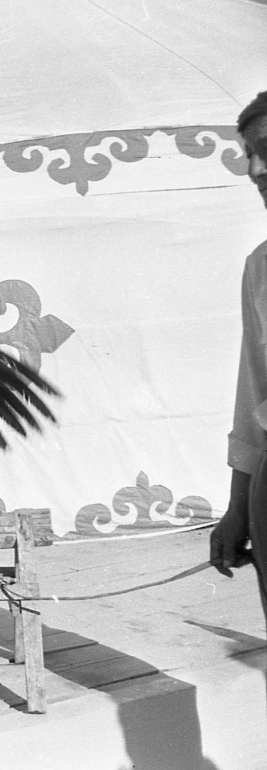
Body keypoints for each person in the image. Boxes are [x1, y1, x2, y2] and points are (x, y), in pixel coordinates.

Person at [212, 90, 267, 628]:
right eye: (249, 152)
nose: (254, 169)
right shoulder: (261, 267)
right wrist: (238, 507)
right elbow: (254, 393)